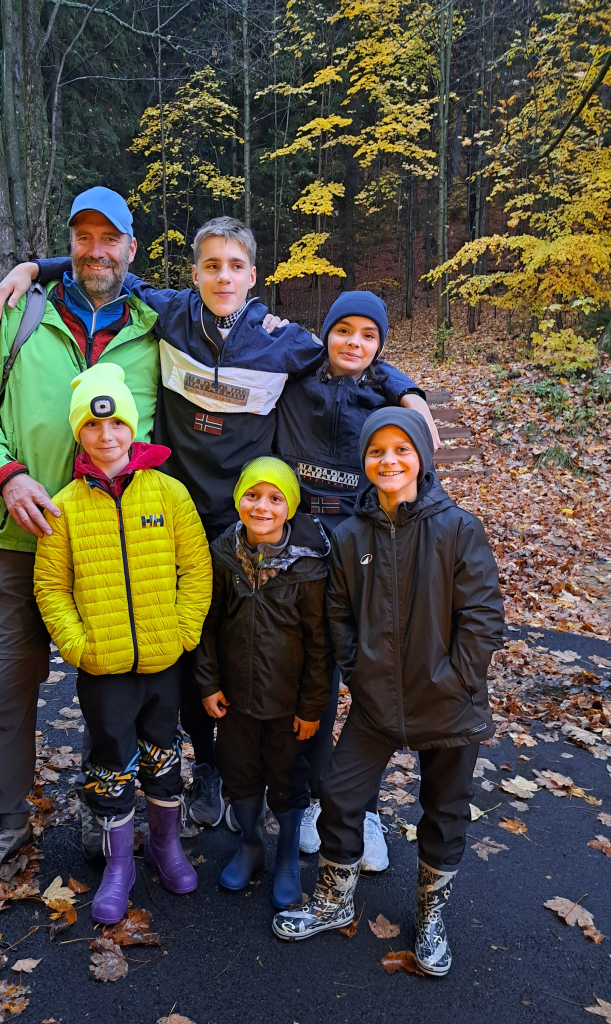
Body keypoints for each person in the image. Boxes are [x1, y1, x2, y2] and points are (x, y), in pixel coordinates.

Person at [0, 219, 436, 829]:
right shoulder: (169, 313)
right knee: (190, 644)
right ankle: (207, 768)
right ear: (194, 273)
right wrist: (35, 267)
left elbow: (350, 356)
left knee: (256, 643)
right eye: (212, 265)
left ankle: (272, 778)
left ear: (253, 277)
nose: (224, 277)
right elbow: (105, 268)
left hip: (250, 518)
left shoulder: (283, 340)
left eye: (236, 266)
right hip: (176, 514)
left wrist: (409, 392)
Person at [0, 186, 160, 893]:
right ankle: (2, 820)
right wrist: (6, 476)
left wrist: (401, 390)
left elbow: (238, 337)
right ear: (68, 243)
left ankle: (107, 811)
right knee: (5, 684)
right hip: (22, 538)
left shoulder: (156, 328)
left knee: (112, 693)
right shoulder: (15, 315)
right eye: (82, 237)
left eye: (109, 238)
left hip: (113, 547)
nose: (95, 251)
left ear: (131, 247)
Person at [272, 408, 504, 978]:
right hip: (376, 701)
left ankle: (430, 915)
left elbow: (483, 617)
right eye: (377, 451)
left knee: (444, 810)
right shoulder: (351, 536)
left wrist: (457, 680)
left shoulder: (458, 528)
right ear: (364, 461)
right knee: (340, 793)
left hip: (449, 703)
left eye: (402, 449)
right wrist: (361, 675)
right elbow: (339, 616)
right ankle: (335, 899)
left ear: (422, 457)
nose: (389, 460)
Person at [33, 362, 212, 923]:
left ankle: (164, 846)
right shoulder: (65, 506)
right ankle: (119, 865)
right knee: (110, 761)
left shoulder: (169, 494)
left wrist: (182, 632)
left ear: (132, 426)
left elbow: (196, 570)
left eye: (115, 424)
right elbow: (51, 586)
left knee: (163, 753)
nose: (106, 436)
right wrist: (77, 645)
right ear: (79, 431)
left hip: (163, 660)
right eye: (91, 425)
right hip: (102, 666)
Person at [275, 291, 441, 868]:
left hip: (364, 547)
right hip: (299, 544)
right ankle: (308, 800)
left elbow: (420, 481)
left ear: (381, 346)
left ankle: (363, 809)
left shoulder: (387, 397)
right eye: (343, 329)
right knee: (311, 678)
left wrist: (408, 390)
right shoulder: (295, 378)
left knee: (368, 678)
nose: (353, 342)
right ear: (325, 333)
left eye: (369, 335)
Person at [194, 457, 330, 910]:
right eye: (252, 495)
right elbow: (209, 624)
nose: (262, 507)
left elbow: (319, 644)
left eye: (275, 498)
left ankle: (287, 856)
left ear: (289, 507)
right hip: (234, 701)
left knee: (288, 778)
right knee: (240, 772)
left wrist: (311, 706)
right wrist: (208, 682)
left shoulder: (308, 566)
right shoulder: (222, 554)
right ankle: (250, 843)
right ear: (238, 499)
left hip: (287, 705)